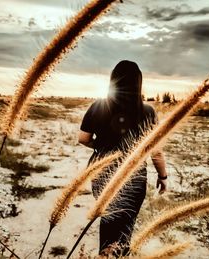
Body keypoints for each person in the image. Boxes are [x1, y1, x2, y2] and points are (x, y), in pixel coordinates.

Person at [78, 60, 168, 257]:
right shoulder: (147, 111)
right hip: (135, 177)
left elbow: (83, 139)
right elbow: (156, 151)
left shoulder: (98, 106)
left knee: (108, 218)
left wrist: (101, 147)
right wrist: (163, 177)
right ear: (138, 83)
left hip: (101, 173)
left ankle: (105, 254)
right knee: (126, 223)